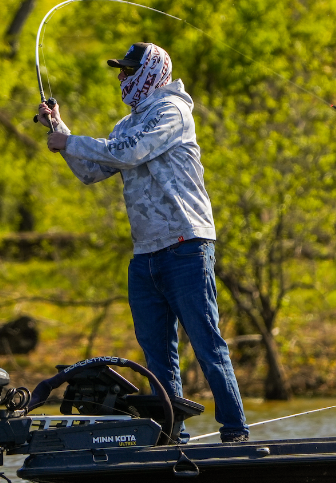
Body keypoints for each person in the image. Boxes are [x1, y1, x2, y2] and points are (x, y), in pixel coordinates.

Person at [37, 42, 250, 443]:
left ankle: (235, 432)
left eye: (128, 70)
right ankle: (172, 439)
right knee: (157, 355)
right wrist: (59, 130)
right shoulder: (126, 124)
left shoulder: (173, 111)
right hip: (146, 254)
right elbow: (93, 170)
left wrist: (71, 141)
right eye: (119, 70)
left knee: (206, 343)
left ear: (151, 71)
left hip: (186, 245)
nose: (121, 77)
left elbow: (131, 153)